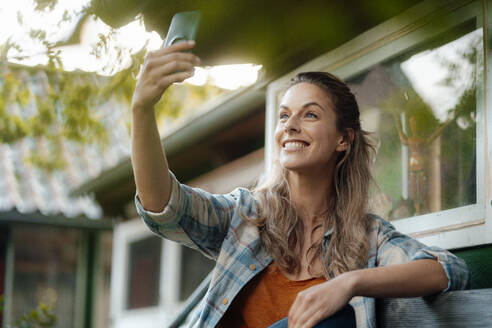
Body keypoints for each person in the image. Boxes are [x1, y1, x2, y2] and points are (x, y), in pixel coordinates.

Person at [131, 40, 470, 328]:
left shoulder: (368, 239)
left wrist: (350, 283)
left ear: (343, 139)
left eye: (309, 114)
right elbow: (168, 209)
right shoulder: (246, 217)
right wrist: (142, 111)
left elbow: (447, 269)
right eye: (283, 115)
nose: (290, 125)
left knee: (339, 319)